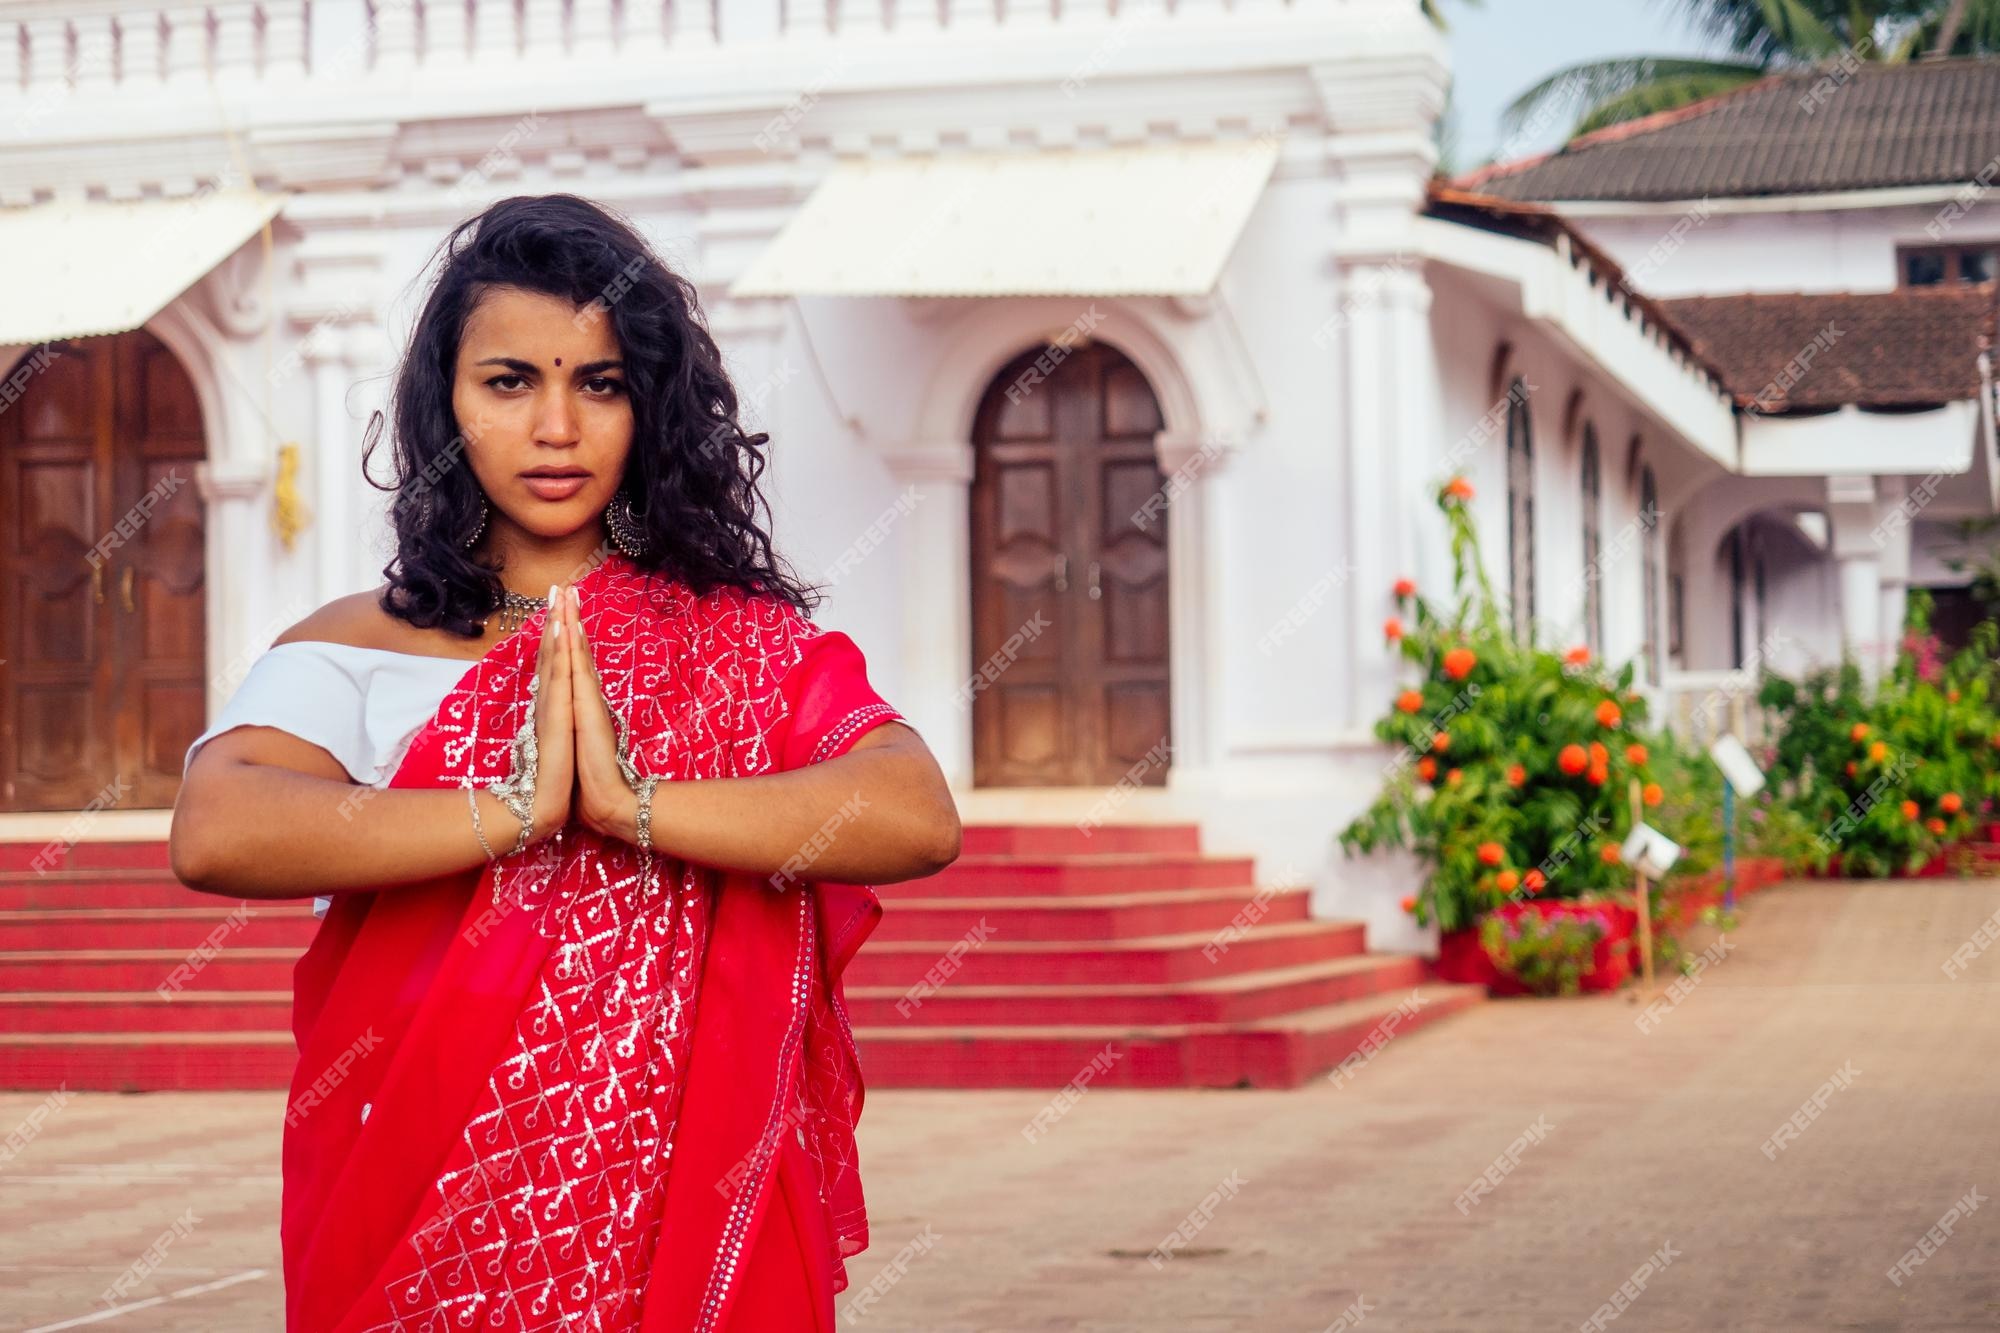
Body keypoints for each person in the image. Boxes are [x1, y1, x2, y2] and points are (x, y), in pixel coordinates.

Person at [168, 193, 962, 1332]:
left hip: (685, 1206)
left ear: (650, 406)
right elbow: (219, 827)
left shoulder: (734, 641)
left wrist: (635, 806)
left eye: (600, 383)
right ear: (442, 401)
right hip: (425, 1201)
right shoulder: (363, 643)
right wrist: (509, 812)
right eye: (508, 382)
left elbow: (910, 810)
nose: (557, 426)